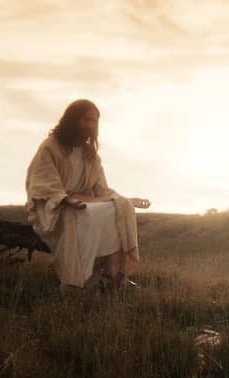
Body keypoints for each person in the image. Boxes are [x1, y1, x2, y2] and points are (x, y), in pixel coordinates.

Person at [25, 99, 151, 288]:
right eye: (86, 119)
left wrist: (126, 200)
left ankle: (113, 274)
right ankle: (79, 279)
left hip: (83, 202)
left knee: (119, 208)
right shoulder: (50, 147)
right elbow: (42, 183)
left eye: (94, 121)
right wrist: (65, 200)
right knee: (88, 213)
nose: (90, 125)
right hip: (53, 207)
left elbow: (101, 189)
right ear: (72, 119)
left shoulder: (90, 154)